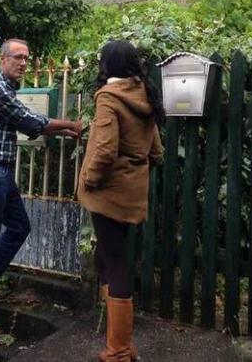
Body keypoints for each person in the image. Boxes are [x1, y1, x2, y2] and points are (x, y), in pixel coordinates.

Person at [0, 38, 83, 336]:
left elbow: (27, 124)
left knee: (19, 226)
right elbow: (27, 120)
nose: (24, 63)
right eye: (17, 57)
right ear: (3, 60)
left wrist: (67, 130)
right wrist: (71, 125)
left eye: (27, 58)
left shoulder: (5, 88)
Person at [77, 40, 165, 362]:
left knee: (115, 264)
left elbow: (103, 150)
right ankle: (118, 339)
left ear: (107, 66)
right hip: (131, 192)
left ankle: (119, 351)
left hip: (108, 194)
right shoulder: (144, 95)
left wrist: (89, 180)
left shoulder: (109, 98)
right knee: (106, 257)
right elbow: (156, 152)